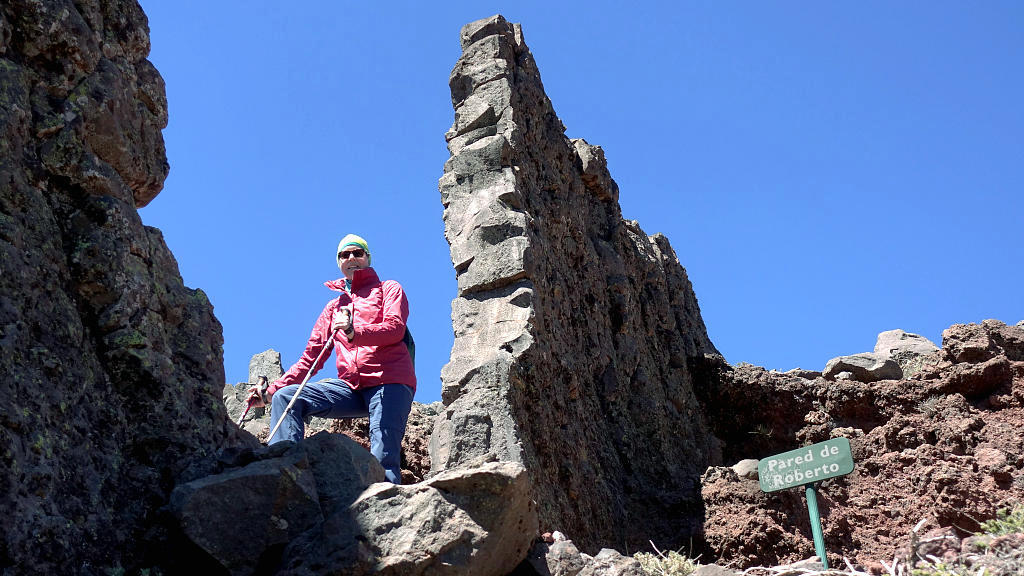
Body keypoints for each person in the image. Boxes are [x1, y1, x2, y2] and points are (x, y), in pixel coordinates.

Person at [247, 234, 415, 484]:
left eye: (358, 253)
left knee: (383, 454)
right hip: (352, 386)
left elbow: (395, 329)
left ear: (368, 258)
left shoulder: (388, 289)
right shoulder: (333, 308)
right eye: (344, 255)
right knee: (287, 398)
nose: (351, 258)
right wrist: (269, 393)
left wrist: (353, 332)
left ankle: (390, 508)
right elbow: (310, 359)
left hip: (389, 380)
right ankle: (286, 473)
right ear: (338, 262)